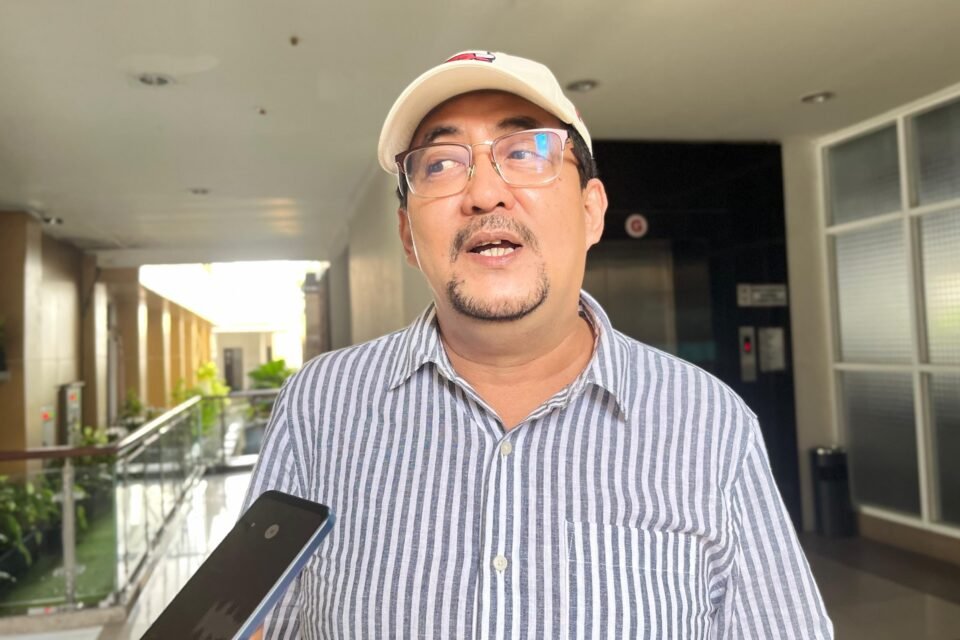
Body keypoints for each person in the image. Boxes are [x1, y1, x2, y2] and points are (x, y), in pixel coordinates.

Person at [245, 51, 833, 639]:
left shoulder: (708, 421)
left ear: (591, 211)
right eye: (442, 164)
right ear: (407, 235)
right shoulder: (320, 404)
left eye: (524, 153)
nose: (484, 193)